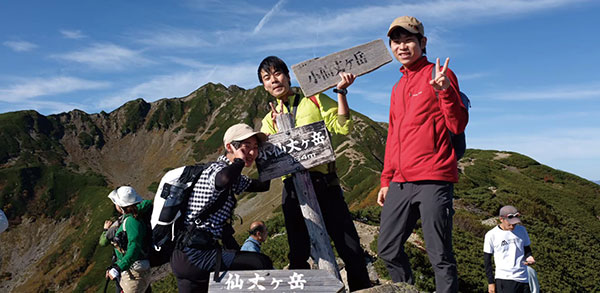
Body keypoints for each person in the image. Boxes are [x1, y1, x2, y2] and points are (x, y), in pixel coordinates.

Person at [258, 56, 372, 291]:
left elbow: (343, 126)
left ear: (288, 76)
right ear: (264, 86)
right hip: (292, 189)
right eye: (267, 78)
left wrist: (341, 93)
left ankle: (361, 287)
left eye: (277, 74)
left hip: (324, 182)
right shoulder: (268, 120)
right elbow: (267, 157)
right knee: (297, 252)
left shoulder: (314, 98)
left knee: (349, 245)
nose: (274, 81)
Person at [376, 16, 468, 293]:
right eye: (396, 41)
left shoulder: (439, 75)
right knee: (388, 249)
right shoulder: (397, 87)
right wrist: (385, 179)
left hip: (434, 178)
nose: (402, 46)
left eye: (408, 40)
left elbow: (457, 124)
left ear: (422, 42)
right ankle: (407, 289)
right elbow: (394, 136)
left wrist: (445, 92)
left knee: (439, 255)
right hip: (400, 182)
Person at [170, 123, 273, 293]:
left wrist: (266, 155)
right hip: (196, 254)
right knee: (261, 263)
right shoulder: (216, 169)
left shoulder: (234, 177)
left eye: (255, 147)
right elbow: (223, 179)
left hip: (186, 257)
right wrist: (239, 161)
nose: (253, 152)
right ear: (230, 147)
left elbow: (263, 185)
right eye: (247, 147)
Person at [100, 186, 153, 293]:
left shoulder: (131, 221)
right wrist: (115, 266)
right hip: (137, 270)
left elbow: (134, 246)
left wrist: (118, 267)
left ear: (120, 206)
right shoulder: (135, 217)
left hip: (134, 274)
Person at [484, 205, 536, 293]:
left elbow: (526, 248)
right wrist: (491, 282)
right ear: (501, 219)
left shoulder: (522, 230)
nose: (512, 226)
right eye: (510, 224)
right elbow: (487, 260)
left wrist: (529, 257)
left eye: (515, 224)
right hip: (505, 278)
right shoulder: (492, 235)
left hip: (523, 278)